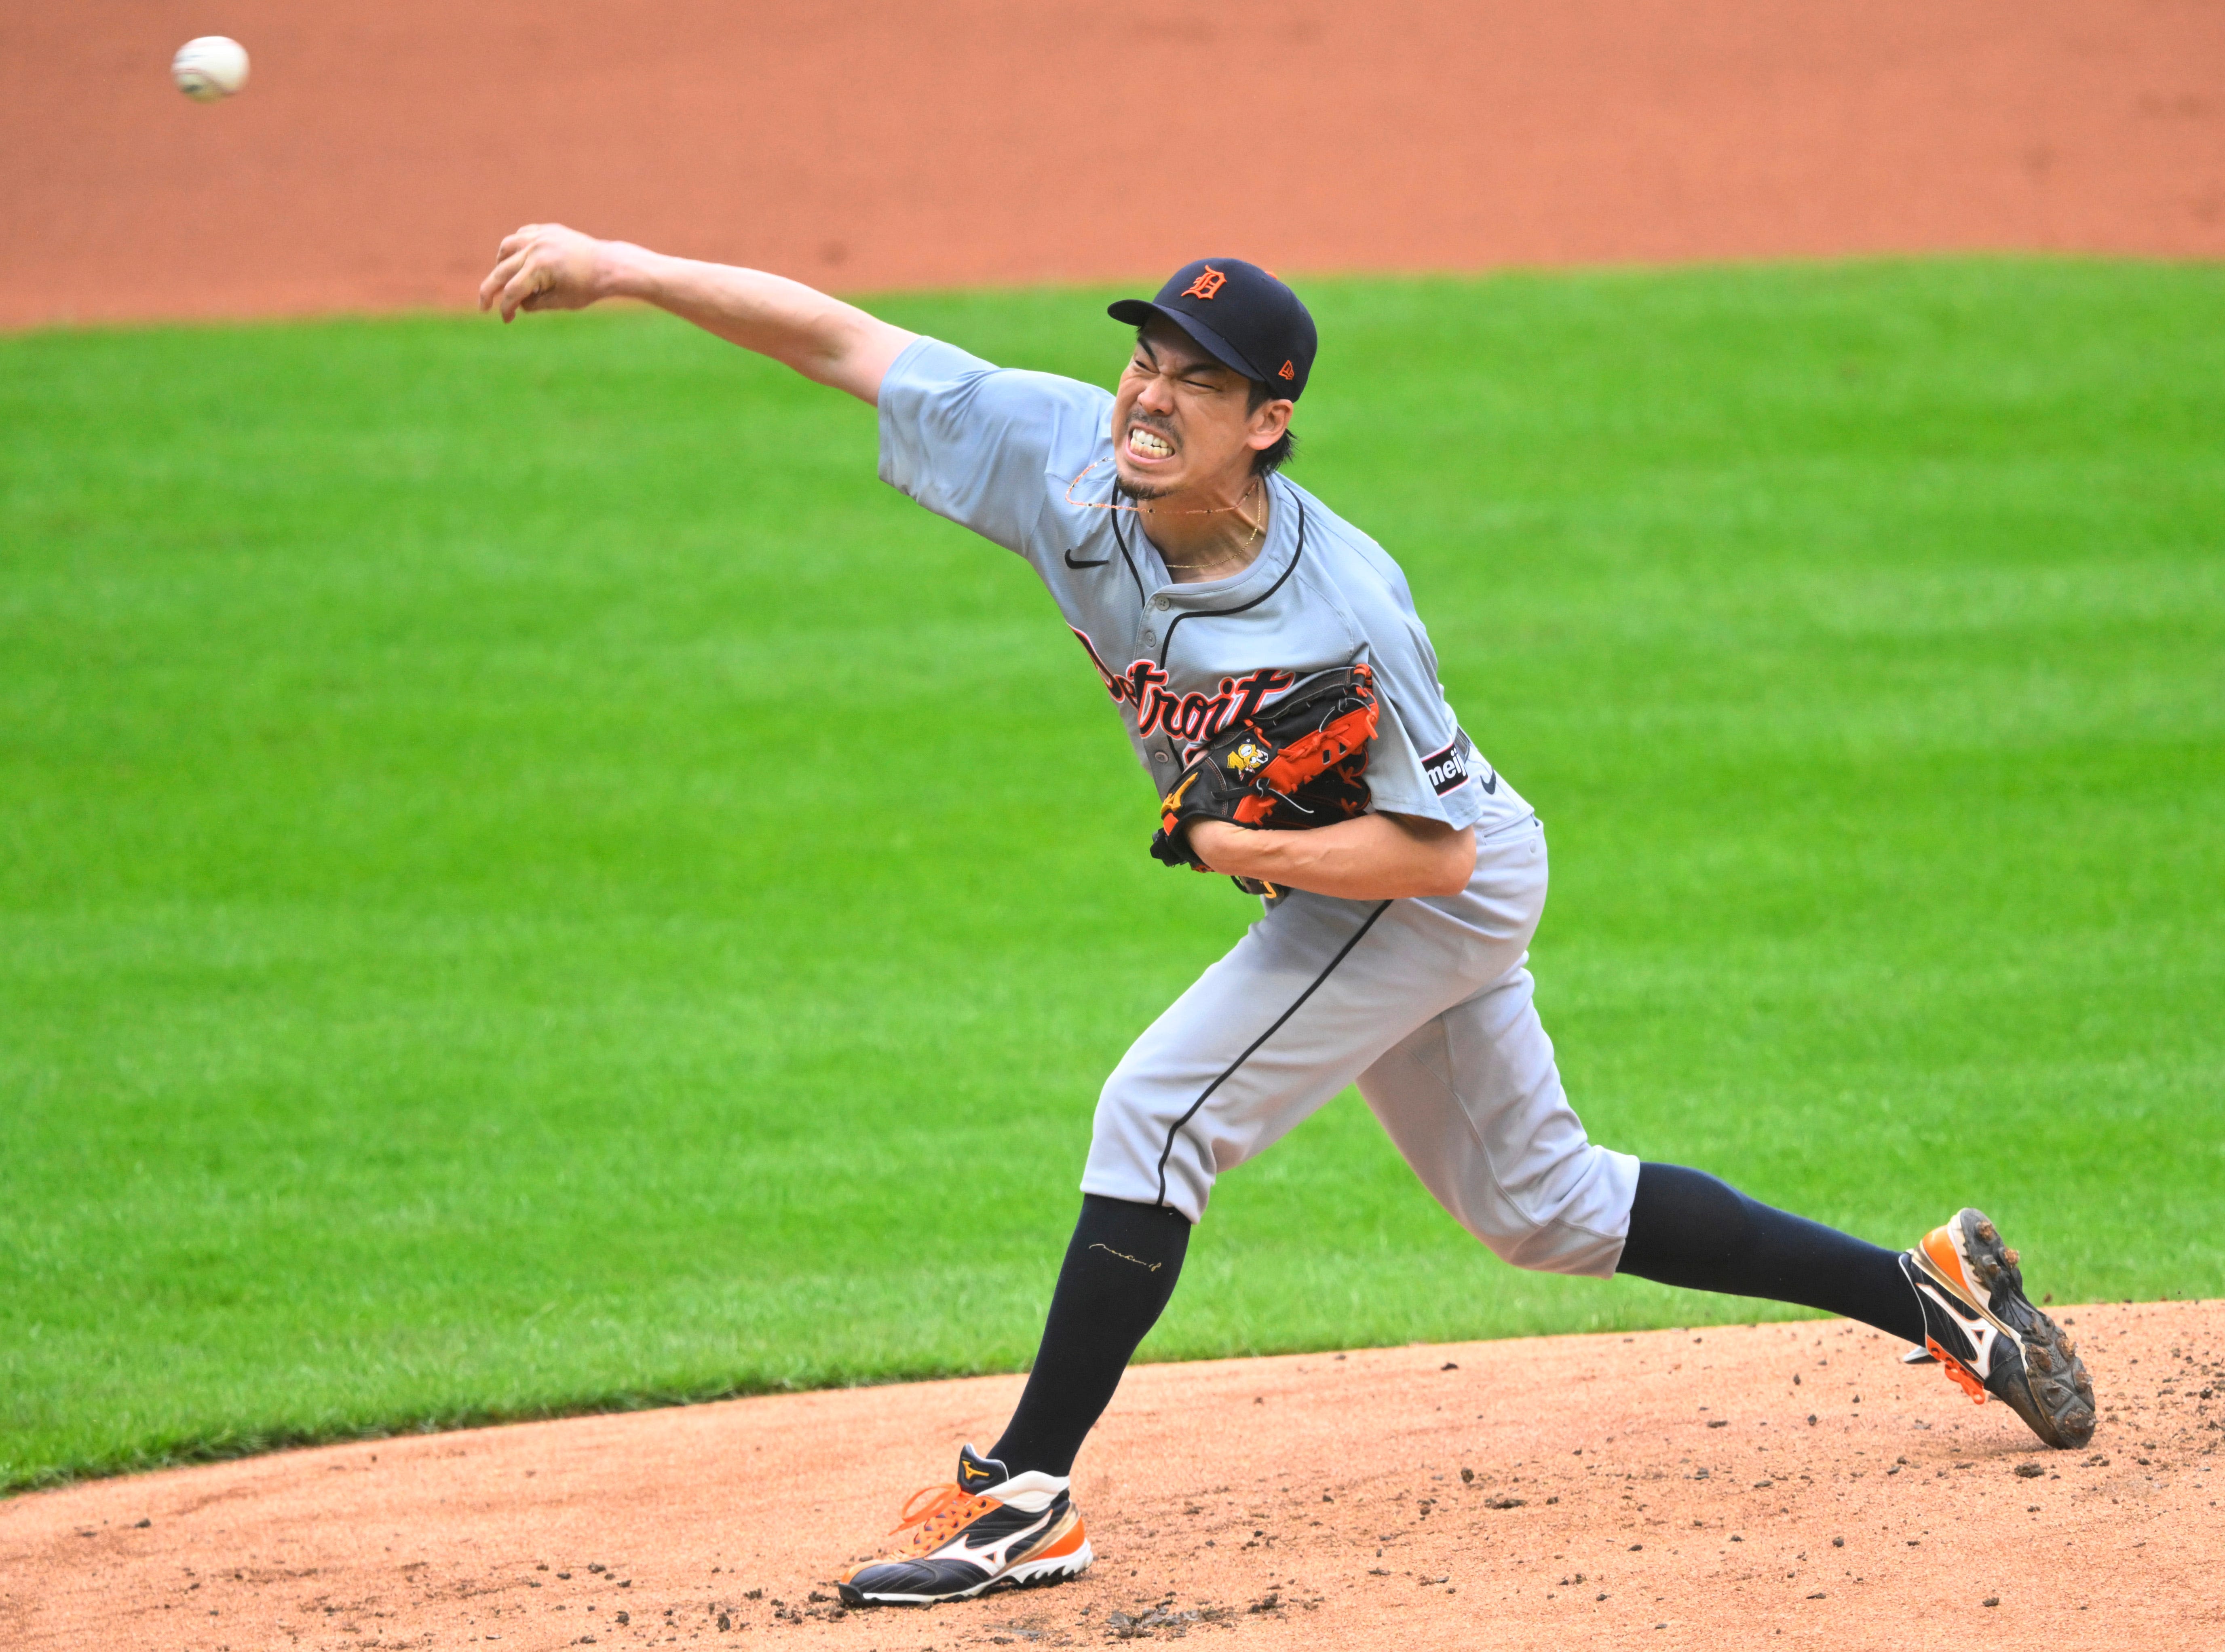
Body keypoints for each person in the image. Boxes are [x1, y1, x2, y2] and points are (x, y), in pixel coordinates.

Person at [477, 229, 2098, 1607]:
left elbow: (1440, 859)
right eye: (1143, 360)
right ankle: (1936, 1291)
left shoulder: (1340, 602)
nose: (1148, 395)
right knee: (1538, 1206)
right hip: (1370, 875)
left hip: (1422, 875)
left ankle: (1024, 1491)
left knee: (1156, 1106)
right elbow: (842, 337)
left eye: (1193, 377)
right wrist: (622, 265)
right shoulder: (1057, 456)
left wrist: (1230, 832)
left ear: (1267, 418)